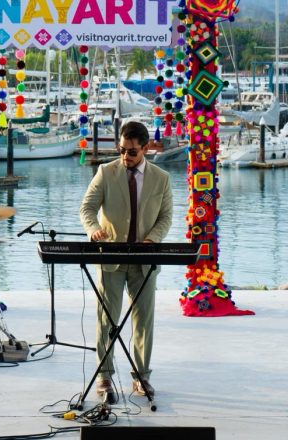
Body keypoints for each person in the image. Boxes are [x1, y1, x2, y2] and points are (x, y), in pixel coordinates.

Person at [79, 121, 173, 404]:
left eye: (132, 152)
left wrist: (152, 239)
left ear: (146, 148)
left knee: (144, 320)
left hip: (145, 260)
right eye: (121, 150)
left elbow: (165, 217)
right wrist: (92, 229)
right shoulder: (106, 172)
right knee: (107, 319)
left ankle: (140, 376)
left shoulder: (162, 178)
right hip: (111, 258)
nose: (125, 156)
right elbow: (87, 207)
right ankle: (104, 376)